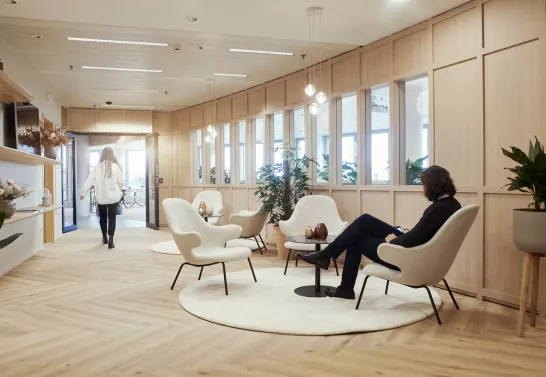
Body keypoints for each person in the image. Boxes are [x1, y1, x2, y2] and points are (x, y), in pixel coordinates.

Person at [297, 165, 461, 299]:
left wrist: (392, 243)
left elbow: (413, 239)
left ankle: (332, 267)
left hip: (405, 258)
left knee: (356, 237)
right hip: (417, 253)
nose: (423, 190)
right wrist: (399, 233)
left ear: (432, 186)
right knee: (365, 221)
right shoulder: (453, 205)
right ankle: (328, 261)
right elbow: (421, 235)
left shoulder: (436, 210)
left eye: (424, 185)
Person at [80, 147, 124, 249]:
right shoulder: (116, 167)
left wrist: (83, 193)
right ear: (112, 154)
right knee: (112, 218)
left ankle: (104, 237)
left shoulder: (97, 167)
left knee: (103, 218)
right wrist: (119, 189)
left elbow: (89, 180)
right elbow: (121, 182)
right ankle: (111, 240)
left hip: (101, 197)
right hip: (113, 198)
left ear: (103, 154)